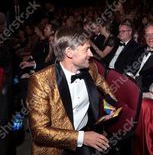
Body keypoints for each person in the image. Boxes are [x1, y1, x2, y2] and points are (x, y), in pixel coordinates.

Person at [27, 27, 116, 155]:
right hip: (56, 147)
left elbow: (105, 87)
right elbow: (39, 132)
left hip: (88, 132)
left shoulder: (91, 67)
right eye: (87, 49)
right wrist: (81, 138)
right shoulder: (40, 81)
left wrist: (109, 108)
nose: (91, 54)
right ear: (69, 52)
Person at [125, 22, 153, 92]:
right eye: (147, 35)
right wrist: (128, 76)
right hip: (128, 82)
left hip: (143, 90)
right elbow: (130, 64)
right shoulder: (140, 49)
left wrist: (133, 81)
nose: (150, 38)